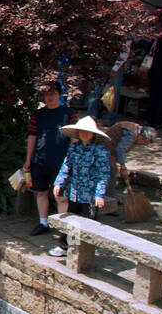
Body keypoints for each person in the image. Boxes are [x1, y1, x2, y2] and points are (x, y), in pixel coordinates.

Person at [49, 115, 112, 258]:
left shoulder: (100, 150)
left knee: (89, 223)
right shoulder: (73, 148)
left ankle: (85, 252)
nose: (84, 134)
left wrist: (99, 194)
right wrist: (59, 183)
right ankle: (66, 247)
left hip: (90, 195)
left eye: (87, 131)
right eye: (82, 131)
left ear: (93, 134)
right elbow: (66, 167)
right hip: (75, 191)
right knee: (72, 220)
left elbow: (104, 174)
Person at [23, 80, 77, 237]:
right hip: (40, 160)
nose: (50, 96)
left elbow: (74, 138)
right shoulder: (38, 115)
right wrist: (28, 159)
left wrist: (72, 159)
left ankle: (63, 230)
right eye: (47, 93)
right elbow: (32, 137)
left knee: (61, 196)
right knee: (41, 192)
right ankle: (43, 222)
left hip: (61, 162)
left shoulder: (69, 114)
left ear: (59, 94)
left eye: (53, 93)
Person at [87, 39, 131, 124]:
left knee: (114, 93)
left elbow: (125, 52)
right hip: (102, 61)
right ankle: (91, 117)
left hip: (117, 62)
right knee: (95, 90)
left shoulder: (126, 34)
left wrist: (115, 68)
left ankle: (110, 118)